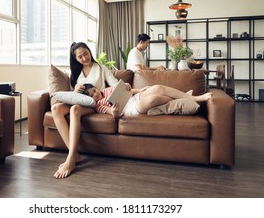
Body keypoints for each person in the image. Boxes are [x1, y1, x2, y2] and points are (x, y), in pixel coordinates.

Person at [51, 42, 130, 179]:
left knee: (75, 110)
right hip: (79, 101)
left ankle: (70, 160)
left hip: (93, 104)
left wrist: (125, 85)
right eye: (80, 57)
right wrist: (75, 89)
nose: (84, 58)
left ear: (90, 51)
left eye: (86, 54)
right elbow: (71, 94)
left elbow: (115, 85)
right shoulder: (76, 74)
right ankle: (74, 155)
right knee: (56, 108)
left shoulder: (100, 68)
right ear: (76, 59)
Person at [83, 83, 212, 117]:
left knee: (158, 87)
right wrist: (114, 112)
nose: (95, 94)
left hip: (134, 97)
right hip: (130, 108)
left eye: (94, 90)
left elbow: (128, 91)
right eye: (91, 95)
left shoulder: (106, 90)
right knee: (153, 99)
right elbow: (111, 113)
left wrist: (140, 90)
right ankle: (183, 98)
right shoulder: (98, 105)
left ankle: (193, 97)